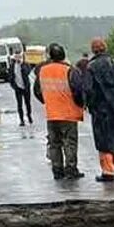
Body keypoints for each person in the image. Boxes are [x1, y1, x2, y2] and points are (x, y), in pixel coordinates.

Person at [74, 37, 114, 182]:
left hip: (102, 110)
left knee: (104, 140)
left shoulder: (91, 67)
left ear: (93, 50)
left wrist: (88, 105)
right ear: (105, 48)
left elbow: (88, 89)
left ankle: (108, 171)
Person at [33, 43, 84, 181]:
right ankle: (71, 169)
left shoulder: (42, 71)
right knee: (70, 142)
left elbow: (37, 91)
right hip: (68, 113)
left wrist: (47, 101)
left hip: (52, 113)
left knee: (55, 143)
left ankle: (57, 170)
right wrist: (80, 104)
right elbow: (79, 90)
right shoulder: (70, 70)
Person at [7, 47, 34, 128]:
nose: (18, 58)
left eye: (19, 57)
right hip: (17, 87)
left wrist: (21, 65)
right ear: (14, 57)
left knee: (27, 103)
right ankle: (21, 120)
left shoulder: (26, 64)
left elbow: (27, 72)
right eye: (16, 57)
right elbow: (11, 76)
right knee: (19, 104)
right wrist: (13, 85)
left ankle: (29, 115)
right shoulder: (12, 66)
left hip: (25, 87)